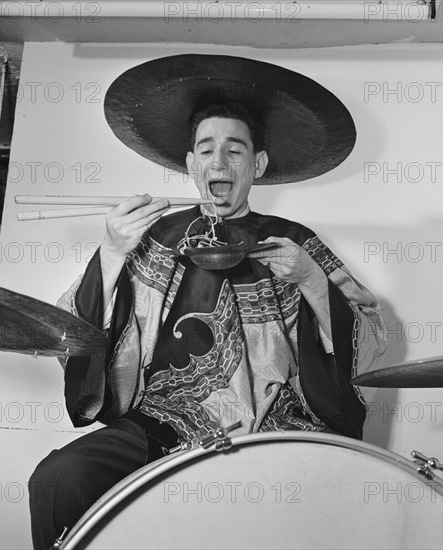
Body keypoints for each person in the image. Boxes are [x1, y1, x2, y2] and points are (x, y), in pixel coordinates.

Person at [29, 57, 386, 550]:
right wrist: (111, 252)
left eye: (234, 151)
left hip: (272, 424)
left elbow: (368, 344)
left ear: (256, 165)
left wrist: (311, 279)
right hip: (165, 419)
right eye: (206, 150)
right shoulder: (150, 237)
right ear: (191, 164)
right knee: (59, 478)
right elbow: (62, 331)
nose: (219, 164)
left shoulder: (294, 242)